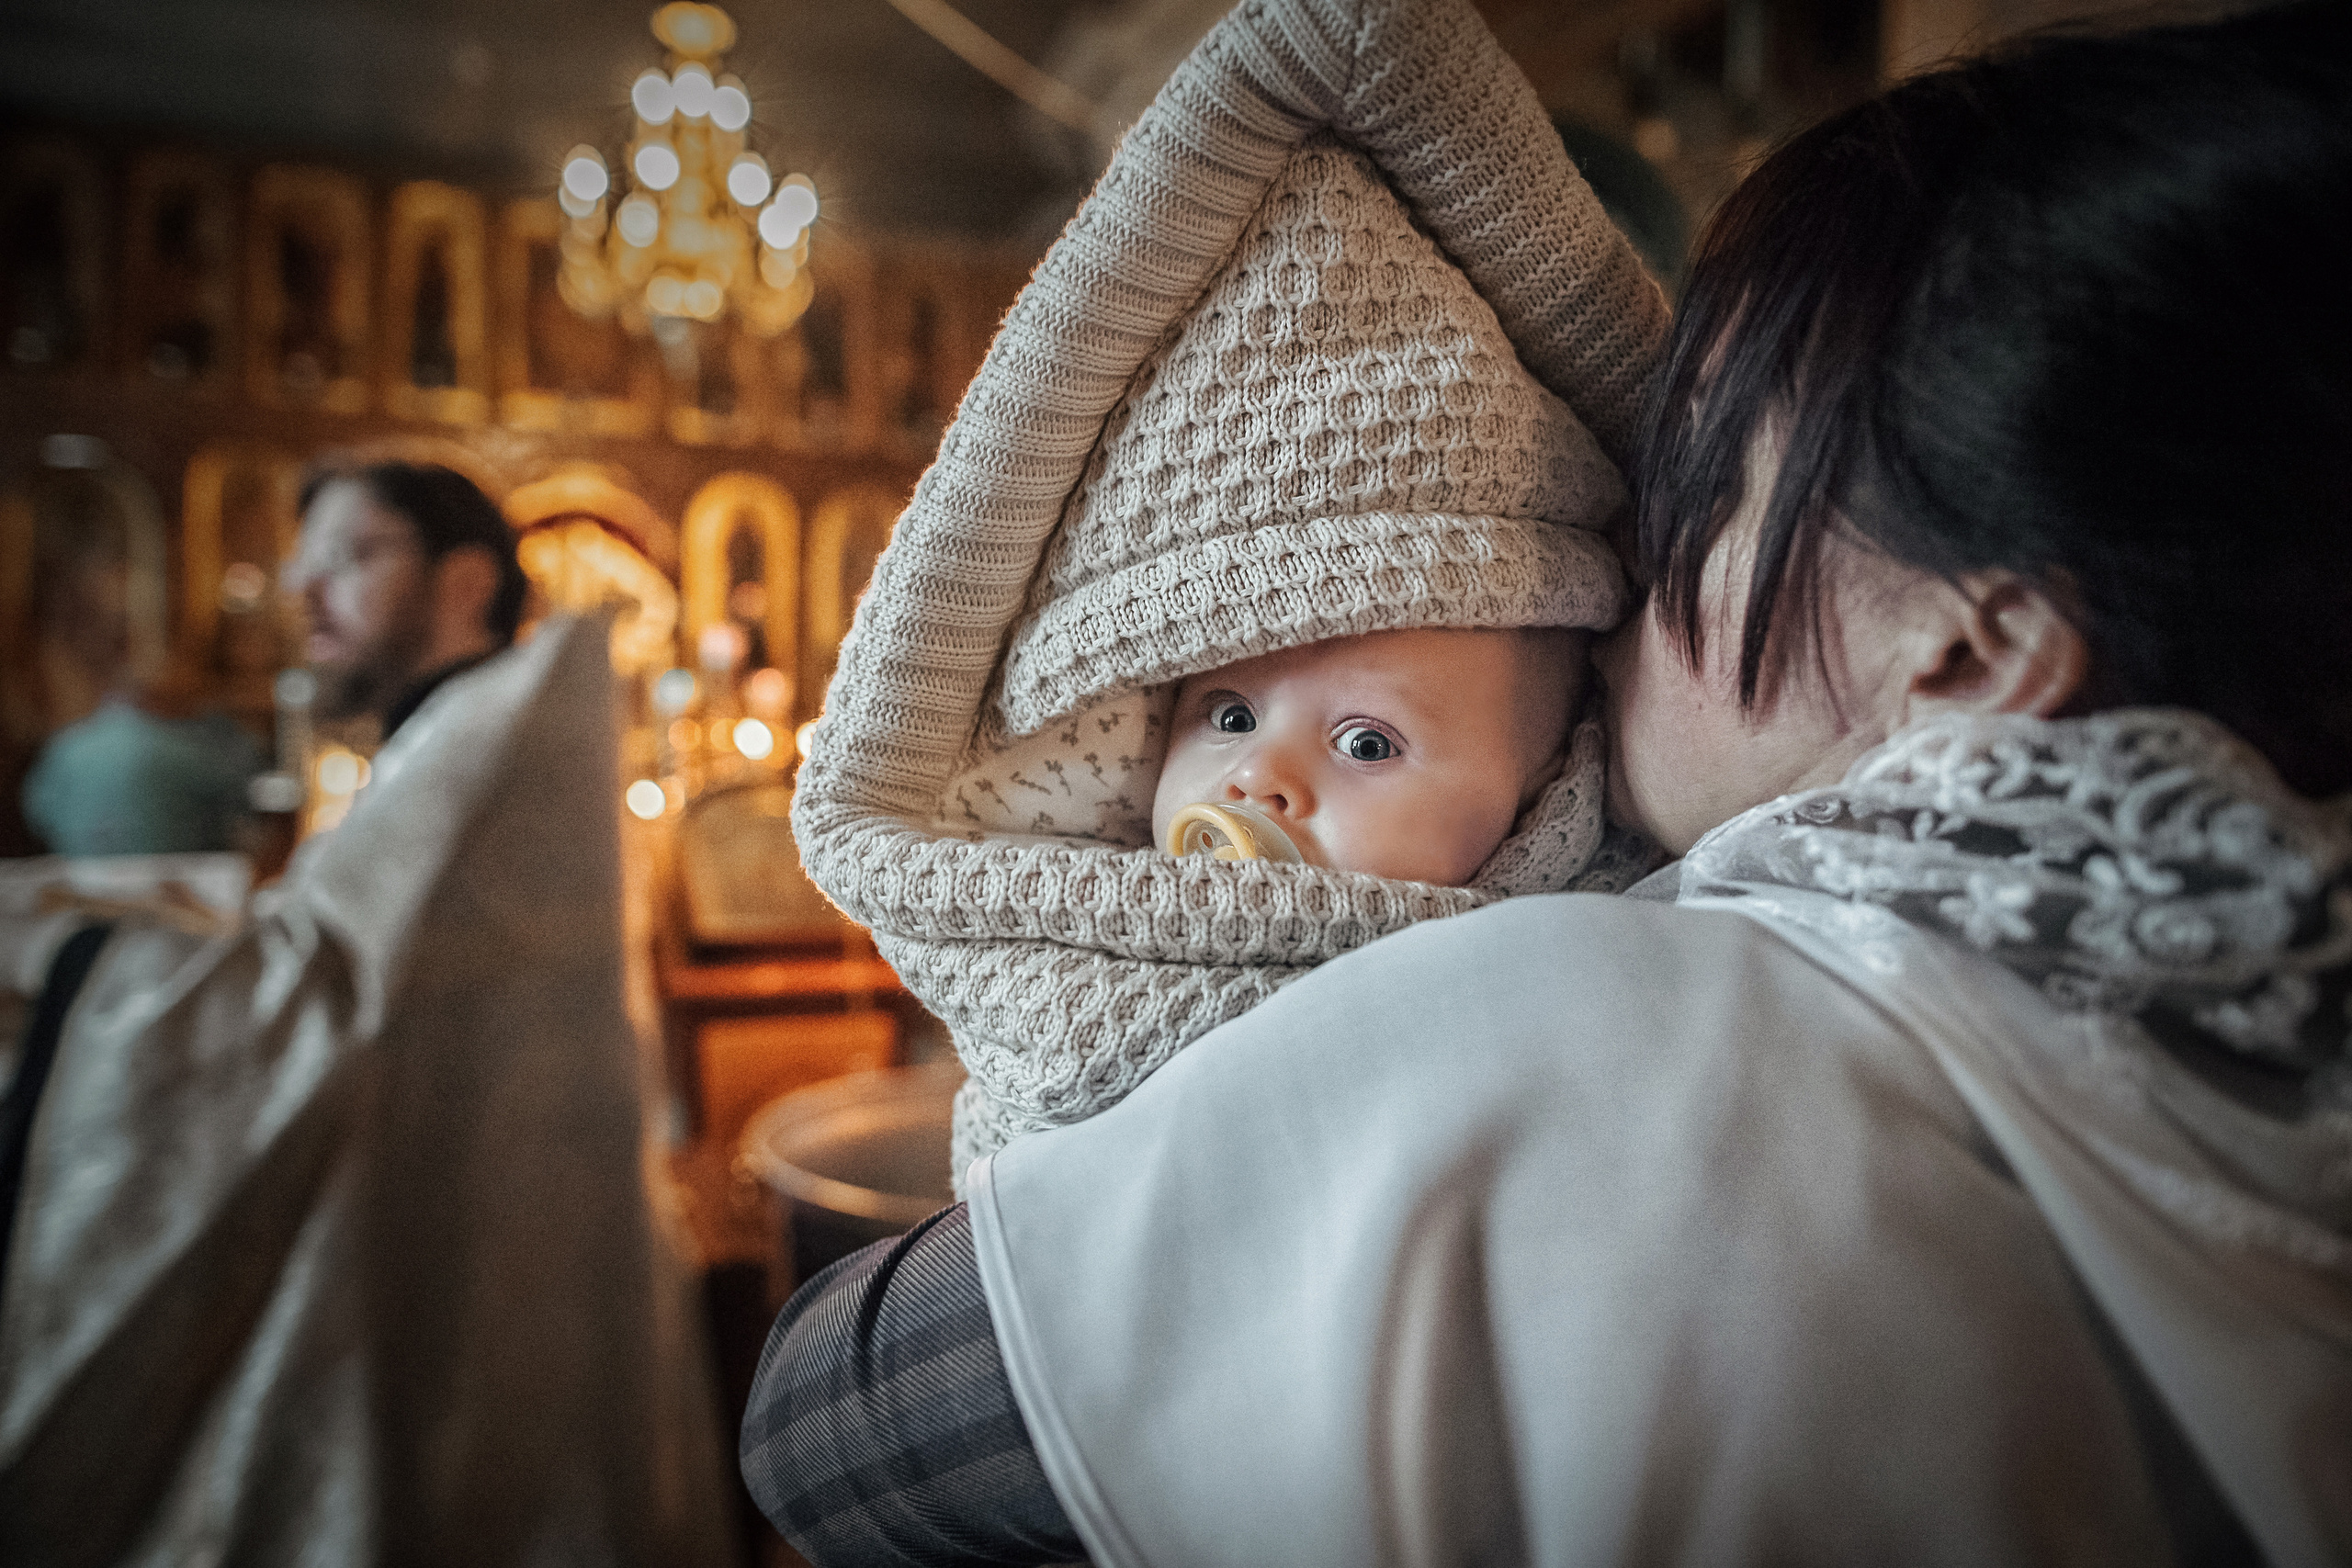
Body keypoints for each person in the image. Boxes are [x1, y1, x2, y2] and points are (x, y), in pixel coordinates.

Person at [741, 1, 2352, 1564]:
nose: (1629, 561)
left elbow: (826, 1422)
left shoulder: (1591, 1032)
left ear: (1968, 650)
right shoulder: (2270, 1075)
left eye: (1709, 493)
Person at [789, 1, 1668, 1179]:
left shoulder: (1575, 953)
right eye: (1230, 714)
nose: (1259, 778)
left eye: (1367, 742)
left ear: (1544, 797)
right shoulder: (1079, 936)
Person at [285, 459, 530, 739]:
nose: (303, 591)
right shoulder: (426, 742)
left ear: (468, 582)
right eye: (305, 565)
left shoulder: (493, 753)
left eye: (339, 555)